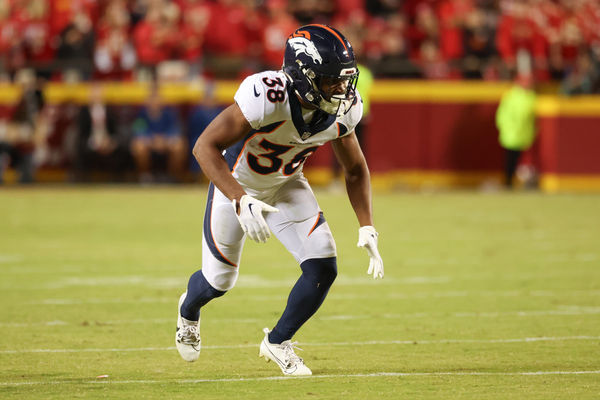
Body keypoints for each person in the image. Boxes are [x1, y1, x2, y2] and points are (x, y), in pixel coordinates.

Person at [175, 24, 384, 376]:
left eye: (344, 79)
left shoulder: (345, 107)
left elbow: (355, 169)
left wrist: (367, 225)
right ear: (303, 74)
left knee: (323, 266)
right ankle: (187, 311)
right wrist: (240, 199)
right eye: (332, 79)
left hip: (287, 184)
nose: (341, 88)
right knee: (218, 282)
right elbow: (204, 147)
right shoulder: (267, 95)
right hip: (237, 184)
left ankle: (277, 342)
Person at [495, 72, 537, 188]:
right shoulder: (511, 96)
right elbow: (502, 115)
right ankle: (509, 181)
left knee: (522, 160)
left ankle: (519, 182)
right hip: (512, 133)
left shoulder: (531, 96)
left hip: (524, 134)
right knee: (510, 159)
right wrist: (505, 127)